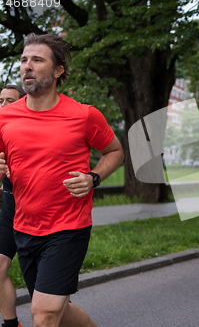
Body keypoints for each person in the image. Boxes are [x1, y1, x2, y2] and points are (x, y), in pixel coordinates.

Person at [0, 33, 124, 327]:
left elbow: (115, 151)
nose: (27, 66)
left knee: (42, 314)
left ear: (57, 71)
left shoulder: (84, 116)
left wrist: (93, 177)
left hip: (68, 227)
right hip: (24, 226)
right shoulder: (5, 118)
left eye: (37, 60)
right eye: (23, 60)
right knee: (58, 311)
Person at [0, 85, 25, 327]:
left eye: (10, 101)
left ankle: (59, 314)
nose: (4, 105)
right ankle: (11, 324)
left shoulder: (30, 131)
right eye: (1, 100)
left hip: (39, 215)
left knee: (45, 288)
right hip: (9, 211)